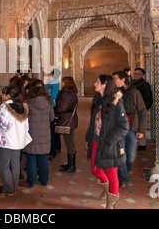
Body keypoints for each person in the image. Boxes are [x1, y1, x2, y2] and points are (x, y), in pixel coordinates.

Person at [85, 74, 129, 209]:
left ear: (104, 85)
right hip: (96, 140)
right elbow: (93, 123)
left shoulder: (116, 102)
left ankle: (111, 203)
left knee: (111, 173)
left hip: (110, 143)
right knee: (95, 170)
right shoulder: (98, 100)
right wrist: (88, 138)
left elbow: (124, 127)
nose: (94, 84)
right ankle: (108, 188)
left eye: (97, 82)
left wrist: (110, 142)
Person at [113, 71, 147, 188]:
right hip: (119, 128)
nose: (114, 81)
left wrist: (141, 130)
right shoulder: (115, 93)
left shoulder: (133, 92)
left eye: (115, 79)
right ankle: (122, 179)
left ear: (123, 80)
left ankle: (125, 172)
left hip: (132, 128)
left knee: (130, 155)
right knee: (121, 153)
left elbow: (142, 111)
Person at [0, 85, 31, 196]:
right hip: (19, 140)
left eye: (3, 94)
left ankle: (9, 187)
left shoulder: (5, 107)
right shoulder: (23, 107)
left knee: (4, 164)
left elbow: (3, 124)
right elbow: (27, 126)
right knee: (15, 163)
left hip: (7, 140)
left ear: (7, 96)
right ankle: (14, 185)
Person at [24, 79, 55, 188]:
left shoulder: (28, 102)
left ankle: (31, 181)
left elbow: (24, 118)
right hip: (45, 133)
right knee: (43, 158)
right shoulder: (48, 101)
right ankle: (44, 180)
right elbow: (52, 117)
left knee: (31, 158)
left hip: (31, 133)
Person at [55, 76, 79, 173]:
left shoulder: (66, 94)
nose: (61, 83)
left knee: (69, 143)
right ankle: (70, 164)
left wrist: (57, 103)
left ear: (65, 83)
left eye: (63, 82)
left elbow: (61, 108)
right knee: (70, 141)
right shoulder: (72, 93)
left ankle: (72, 166)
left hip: (67, 120)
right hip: (70, 119)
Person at [132, 67, 154, 151]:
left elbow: (148, 98)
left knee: (140, 127)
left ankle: (142, 144)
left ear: (143, 75)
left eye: (138, 74)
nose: (136, 75)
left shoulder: (145, 85)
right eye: (135, 74)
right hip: (133, 109)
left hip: (140, 109)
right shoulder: (133, 83)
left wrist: (143, 109)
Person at [45, 68, 61, 159]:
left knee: (52, 130)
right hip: (54, 107)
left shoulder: (51, 84)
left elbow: (52, 95)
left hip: (51, 107)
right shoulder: (55, 83)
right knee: (55, 129)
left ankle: (52, 151)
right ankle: (58, 147)